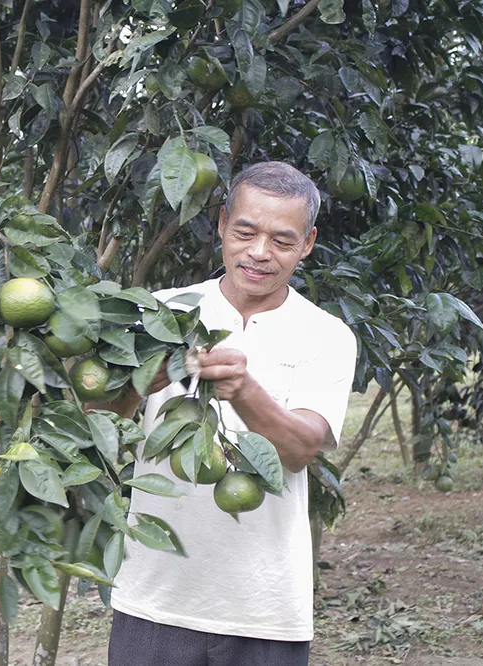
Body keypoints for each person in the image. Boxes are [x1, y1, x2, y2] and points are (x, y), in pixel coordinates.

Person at [105, 161, 358, 666]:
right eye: (245, 232)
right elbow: (94, 417)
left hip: (264, 610)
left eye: (282, 241)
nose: (260, 253)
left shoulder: (327, 335)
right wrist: (138, 382)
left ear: (307, 243)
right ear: (222, 224)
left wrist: (243, 390)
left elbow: (300, 448)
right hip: (154, 596)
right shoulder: (161, 312)